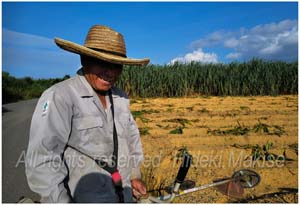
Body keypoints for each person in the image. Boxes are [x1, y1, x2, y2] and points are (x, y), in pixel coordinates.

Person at [25, 25, 150, 203]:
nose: (111, 72)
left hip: (125, 196)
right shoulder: (61, 96)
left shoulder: (121, 97)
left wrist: (135, 175)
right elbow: (42, 160)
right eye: (103, 63)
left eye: (117, 65)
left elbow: (132, 138)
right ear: (84, 59)